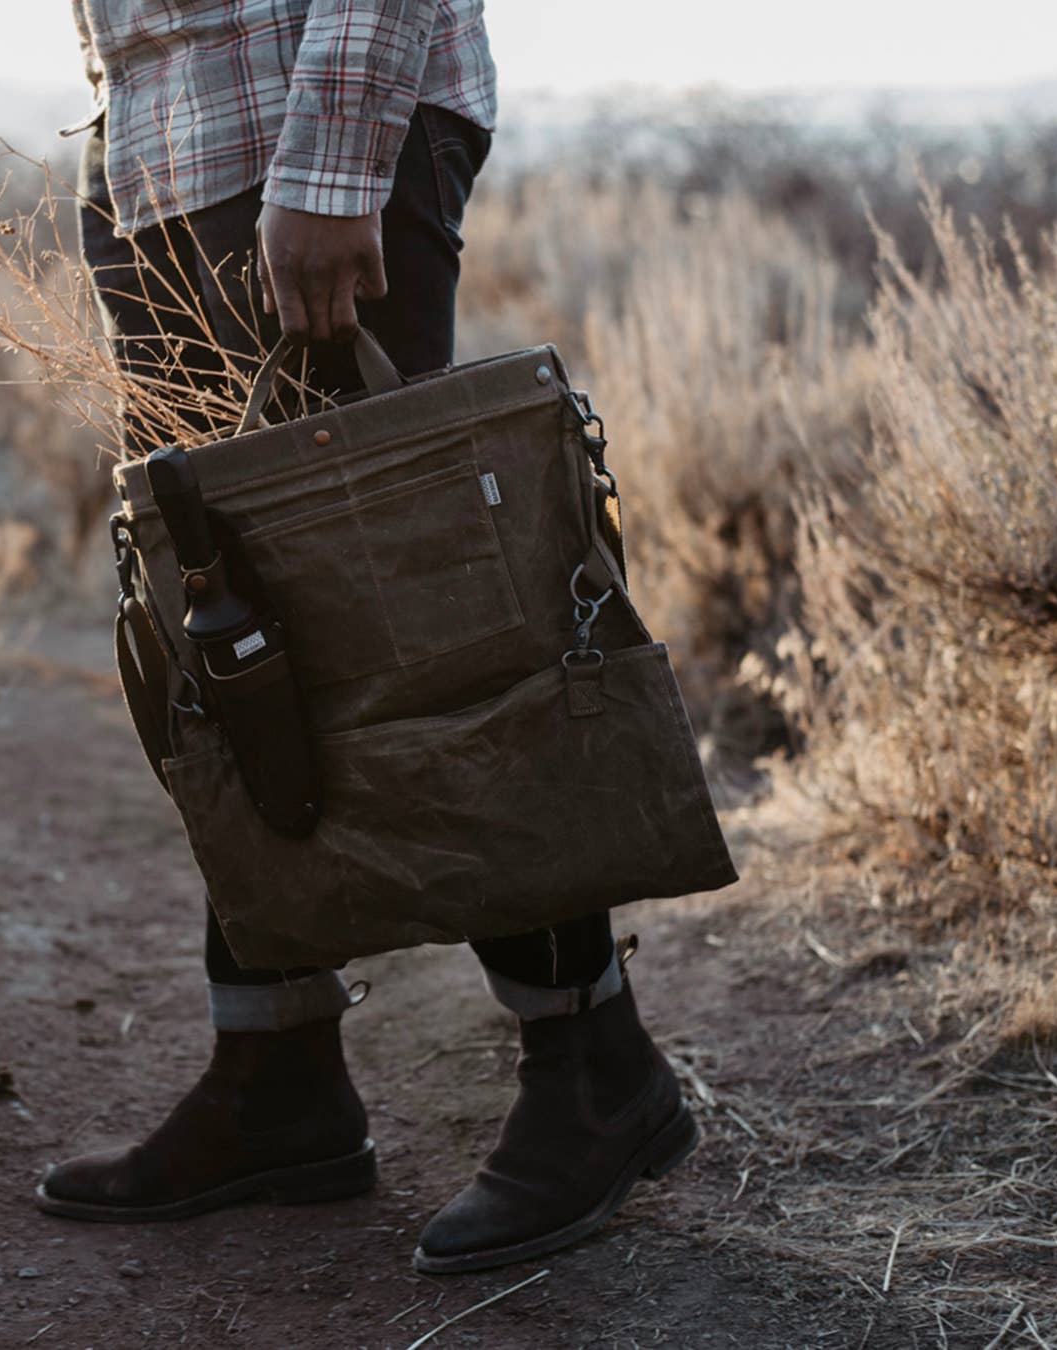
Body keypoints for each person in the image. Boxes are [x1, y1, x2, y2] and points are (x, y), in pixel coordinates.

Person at [39, 0, 698, 1274]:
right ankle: (277, 1069)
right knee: (225, 630)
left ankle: (595, 1058)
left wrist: (336, 157)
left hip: (301, 116)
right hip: (158, 133)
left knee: (405, 610)